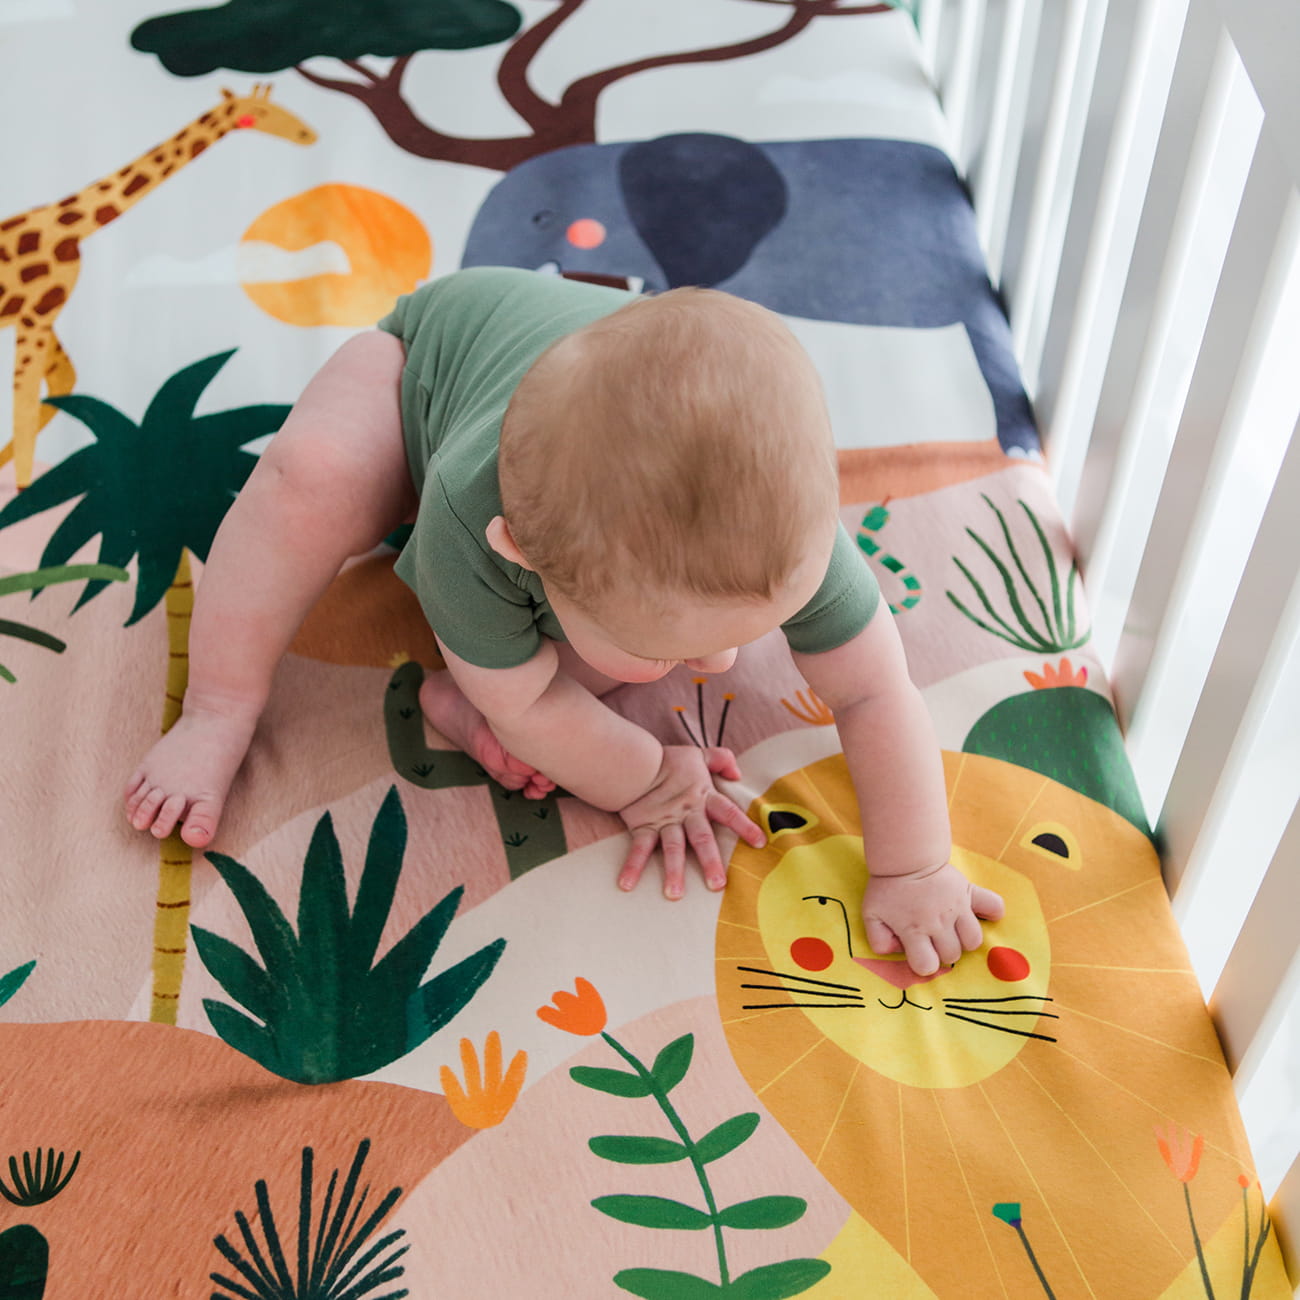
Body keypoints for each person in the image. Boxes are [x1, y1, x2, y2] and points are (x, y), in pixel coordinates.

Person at [124, 267, 1003, 977]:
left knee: (612, 662)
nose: (725, 658)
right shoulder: (476, 527)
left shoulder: (781, 532)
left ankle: (462, 699)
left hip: (598, 469)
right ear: (524, 557)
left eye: (751, 626)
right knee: (309, 482)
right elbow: (531, 706)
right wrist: (646, 777)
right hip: (413, 381)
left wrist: (915, 866)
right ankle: (219, 707)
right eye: (679, 643)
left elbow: (877, 692)